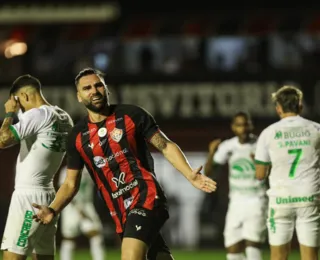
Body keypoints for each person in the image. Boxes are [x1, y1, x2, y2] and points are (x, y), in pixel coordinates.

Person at [32, 67, 217, 260]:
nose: (94, 91)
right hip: (120, 211)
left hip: (146, 197)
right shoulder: (77, 137)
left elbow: (165, 145)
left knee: (130, 257)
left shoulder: (131, 115)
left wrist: (189, 174)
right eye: (87, 88)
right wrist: (53, 209)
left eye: (98, 86)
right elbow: (71, 183)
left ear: (107, 89)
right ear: (79, 96)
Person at [0, 75, 73, 260]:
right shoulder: (64, 117)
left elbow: (3, 139)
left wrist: (9, 113)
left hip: (28, 199)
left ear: (24, 96)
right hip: (48, 196)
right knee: (43, 257)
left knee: (12, 258)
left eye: (19, 104)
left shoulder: (38, 114)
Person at [255, 85, 320, 260]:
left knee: (278, 257)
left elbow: (260, 174)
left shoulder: (268, 133)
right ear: (300, 106)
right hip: (308, 197)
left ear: (278, 108)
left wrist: (264, 165)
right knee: (310, 256)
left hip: (281, 199)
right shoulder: (316, 129)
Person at [204, 112, 267, 260]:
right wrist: (211, 153)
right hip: (236, 202)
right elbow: (210, 172)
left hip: (257, 199)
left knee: (252, 244)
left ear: (251, 125)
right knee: (232, 248)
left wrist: (260, 163)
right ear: (233, 127)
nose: (243, 128)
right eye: (239, 125)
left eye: (246, 124)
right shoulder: (228, 146)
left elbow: (270, 172)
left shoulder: (260, 145)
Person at [58, 165, 105, 260]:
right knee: (69, 238)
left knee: (95, 234)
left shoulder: (89, 169)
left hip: (87, 205)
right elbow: (64, 189)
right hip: (70, 207)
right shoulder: (66, 171)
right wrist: (77, 207)